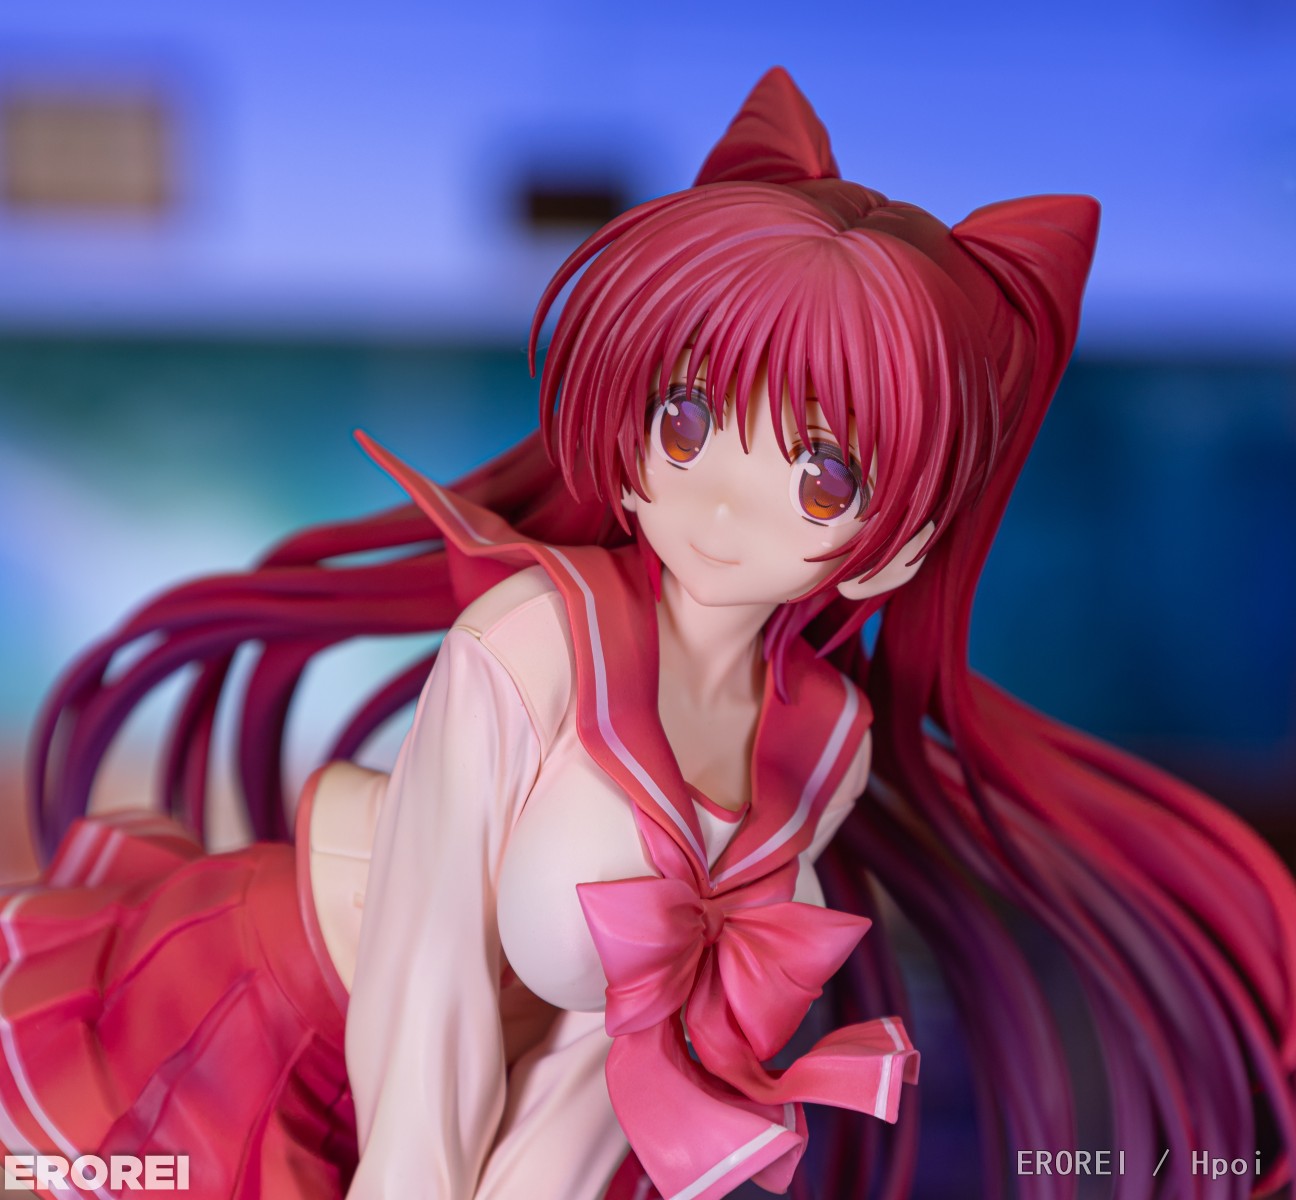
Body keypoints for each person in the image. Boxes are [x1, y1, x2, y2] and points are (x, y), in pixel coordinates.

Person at [3, 68, 1293, 1200]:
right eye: (687, 420)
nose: (723, 502)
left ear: (900, 543)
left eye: (823, 476)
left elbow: (613, 1061)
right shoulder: (530, 641)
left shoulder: (825, 745)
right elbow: (429, 977)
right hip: (257, 1020)